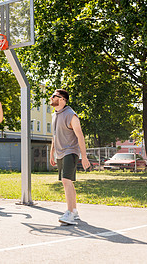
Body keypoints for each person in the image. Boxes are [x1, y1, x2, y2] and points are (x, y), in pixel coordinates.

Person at [49, 89, 90, 225]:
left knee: (66, 180)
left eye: (54, 96)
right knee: (67, 182)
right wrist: (52, 152)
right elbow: (54, 135)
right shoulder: (54, 114)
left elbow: (80, 136)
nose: (51, 98)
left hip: (70, 151)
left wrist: (84, 156)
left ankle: (70, 213)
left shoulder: (71, 115)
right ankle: (74, 211)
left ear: (62, 99)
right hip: (60, 152)